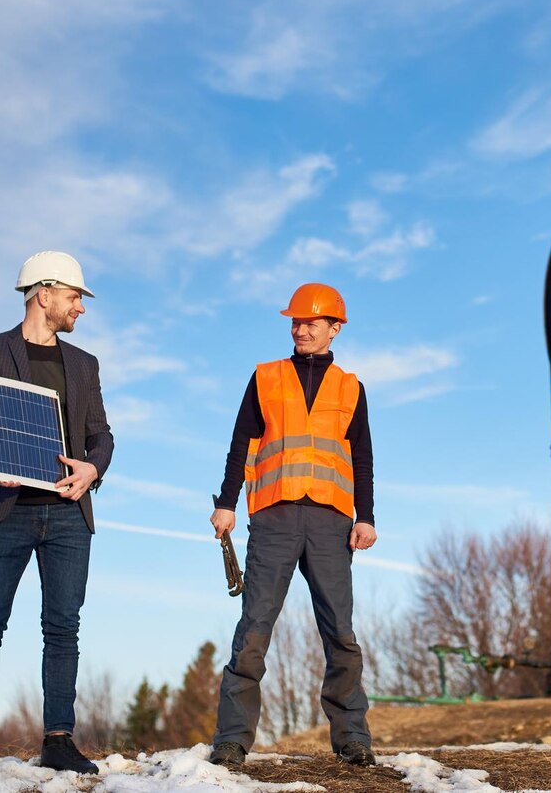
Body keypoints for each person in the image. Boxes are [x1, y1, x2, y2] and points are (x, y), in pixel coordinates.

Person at [0, 251, 114, 778]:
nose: (80, 307)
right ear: (44, 293)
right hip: (4, 512)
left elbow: (101, 436)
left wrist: (92, 470)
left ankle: (58, 741)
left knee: (63, 628)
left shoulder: (84, 364)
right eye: (74, 297)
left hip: (66, 516)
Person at [208, 283, 378, 769]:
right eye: (295, 322)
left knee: (340, 632)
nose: (300, 330)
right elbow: (240, 443)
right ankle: (232, 740)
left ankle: (352, 738)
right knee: (255, 625)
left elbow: (361, 457)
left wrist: (365, 516)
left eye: (310, 323)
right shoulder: (265, 377)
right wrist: (226, 503)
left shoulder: (351, 387)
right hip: (275, 517)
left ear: (334, 328)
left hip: (331, 521)